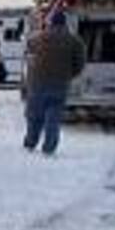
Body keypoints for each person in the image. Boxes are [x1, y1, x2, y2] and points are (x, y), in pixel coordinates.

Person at [23, 10, 87, 155]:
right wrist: (69, 75)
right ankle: (49, 147)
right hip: (60, 84)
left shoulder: (38, 38)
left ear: (51, 23)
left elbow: (29, 52)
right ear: (65, 23)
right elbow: (80, 63)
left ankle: (30, 143)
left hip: (37, 83)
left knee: (35, 116)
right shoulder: (75, 41)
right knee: (53, 117)